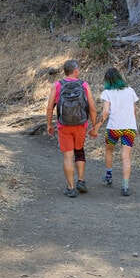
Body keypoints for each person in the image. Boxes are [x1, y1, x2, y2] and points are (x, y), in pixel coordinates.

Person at [46, 59, 97, 198]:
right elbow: (92, 107)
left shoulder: (56, 85)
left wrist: (49, 124)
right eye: (78, 70)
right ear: (75, 71)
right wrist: (94, 126)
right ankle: (81, 180)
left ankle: (71, 188)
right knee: (79, 151)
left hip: (64, 125)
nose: (79, 72)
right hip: (81, 125)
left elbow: (50, 107)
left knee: (68, 156)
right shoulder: (84, 85)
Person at [89, 67, 139, 196]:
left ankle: (109, 175)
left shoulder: (107, 92)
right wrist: (135, 126)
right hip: (129, 128)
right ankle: (125, 185)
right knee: (126, 157)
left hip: (114, 128)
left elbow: (105, 112)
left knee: (109, 150)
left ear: (107, 81)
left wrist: (96, 127)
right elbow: (134, 111)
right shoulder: (130, 90)